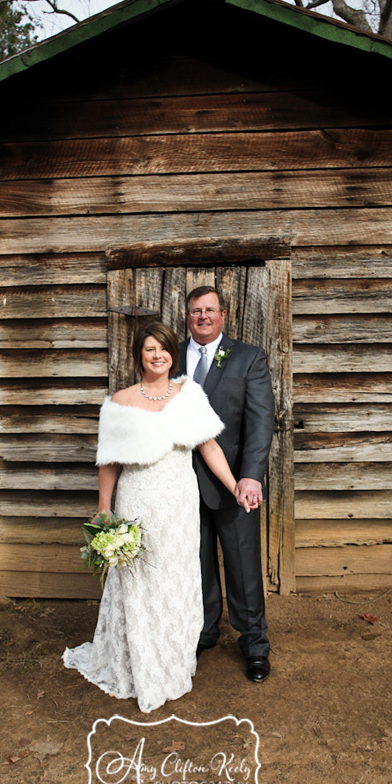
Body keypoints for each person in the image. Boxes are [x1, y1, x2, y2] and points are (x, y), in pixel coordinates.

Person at [62, 321, 250, 713]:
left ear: (172, 354)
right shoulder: (120, 402)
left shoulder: (189, 395)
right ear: (139, 355)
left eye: (163, 349)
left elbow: (210, 448)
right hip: (138, 500)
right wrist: (104, 508)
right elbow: (109, 462)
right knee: (140, 581)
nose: (157, 355)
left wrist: (234, 485)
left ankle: (173, 659)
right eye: (149, 350)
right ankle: (141, 664)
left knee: (175, 578)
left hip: (179, 502)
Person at [178, 286, 275, 683]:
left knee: (243, 566)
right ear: (187, 317)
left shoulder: (248, 357)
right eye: (196, 311)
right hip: (181, 483)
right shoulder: (167, 355)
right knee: (195, 564)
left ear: (223, 315)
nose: (203, 316)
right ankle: (203, 633)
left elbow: (260, 421)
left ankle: (254, 644)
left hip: (232, 480)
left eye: (210, 310)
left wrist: (250, 475)